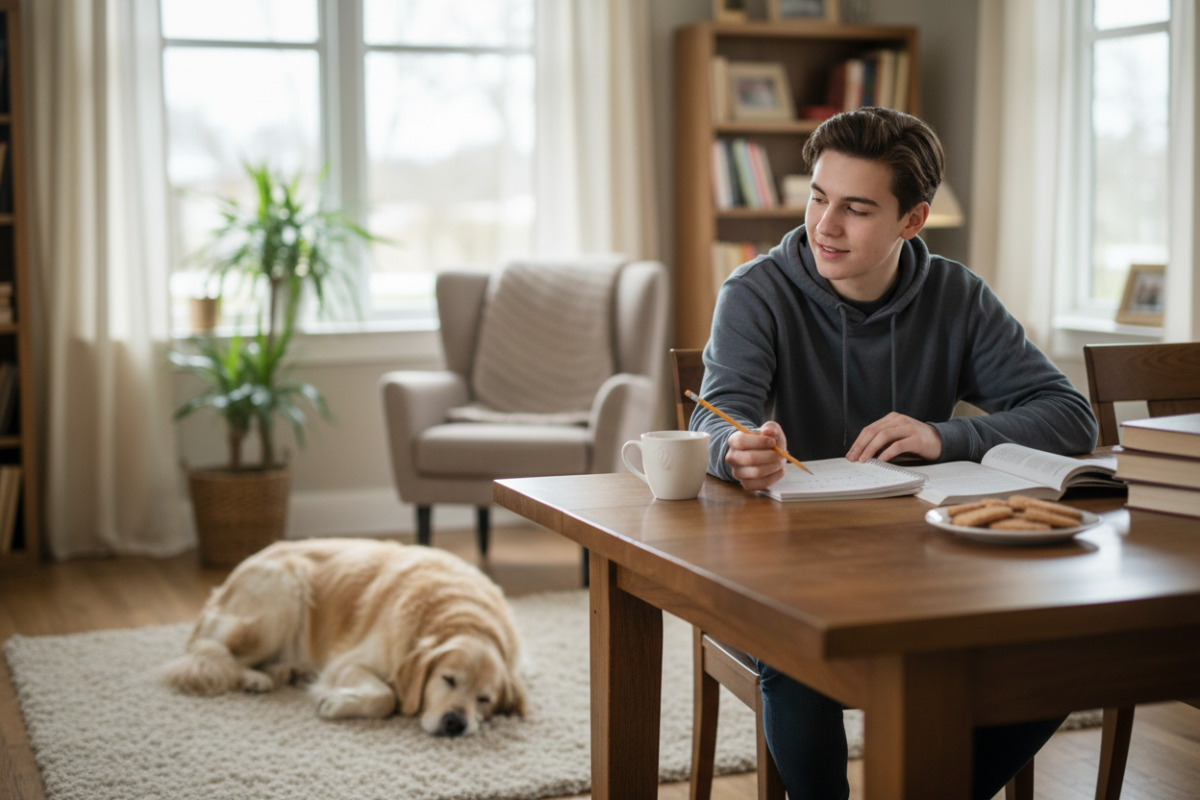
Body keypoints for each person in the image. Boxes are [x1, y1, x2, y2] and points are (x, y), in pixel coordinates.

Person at [689, 106, 1098, 799]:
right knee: (802, 651)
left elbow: (1070, 416)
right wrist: (735, 450)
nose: (824, 225)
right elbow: (711, 416)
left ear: (912, 220)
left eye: (856, 208)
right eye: (818, 197)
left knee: (1062, 650)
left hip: (931, 561)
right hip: (792, 568)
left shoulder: (958, 296)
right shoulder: (755, 291)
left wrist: (946, 436)